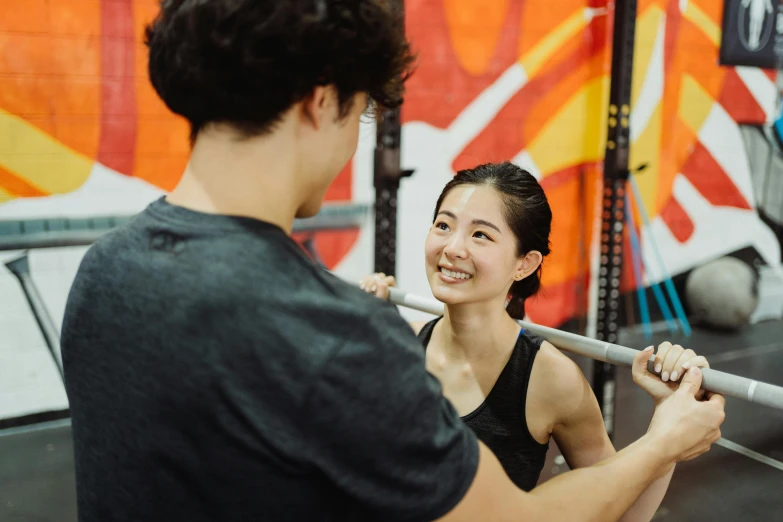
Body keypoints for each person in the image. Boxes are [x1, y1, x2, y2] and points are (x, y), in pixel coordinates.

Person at [60, 1, 725, 522]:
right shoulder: (334, 335)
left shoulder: (105, 272)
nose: (354, 142)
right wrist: (662, 442)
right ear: (321, 101)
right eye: (360, 115)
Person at [360, 161, 712, 519]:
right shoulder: (397, 343)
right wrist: (350, 329)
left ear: (524, 264)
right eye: (443, 225)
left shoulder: (551, 380)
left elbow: (623, 512)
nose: (452, 247)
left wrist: (666, 435)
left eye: (480, 235)